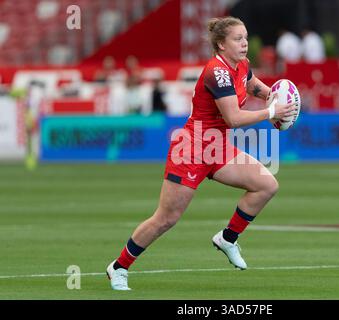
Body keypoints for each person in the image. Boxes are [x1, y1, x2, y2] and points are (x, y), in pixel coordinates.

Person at [106, 16, 296, 290]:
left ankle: (228, 239)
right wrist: (271, 113)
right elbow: (233, 118)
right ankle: (118, 267)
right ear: (221, 44)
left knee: (266, 185)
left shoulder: (241, 65)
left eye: (245, 37)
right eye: (237, 39)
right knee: (166, 218)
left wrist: (278, 98)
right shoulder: (216, 72)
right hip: (192, 149)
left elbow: (253, 85)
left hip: (217, 147)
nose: (244, 43)